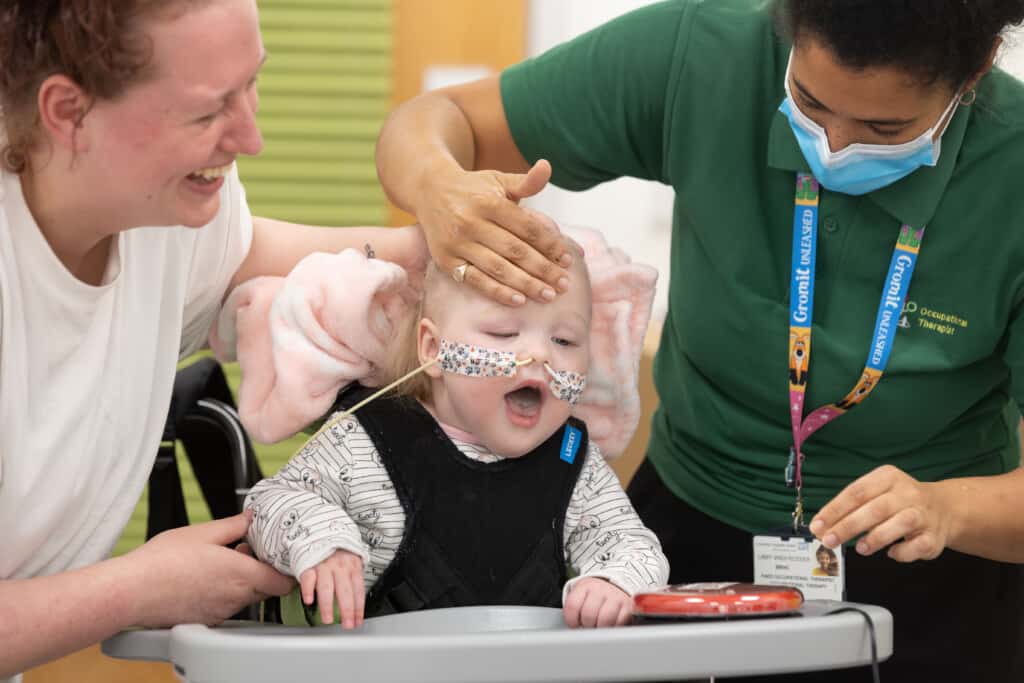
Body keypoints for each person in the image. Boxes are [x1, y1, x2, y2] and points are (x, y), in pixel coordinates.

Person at [373, 0, 1024, 680]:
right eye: (808, 104)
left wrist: (946, 508)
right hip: (686, 537)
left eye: (883, 129)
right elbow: (431, 122)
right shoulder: (701, 57)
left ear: (973, 75)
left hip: (929, 576)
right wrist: (435, 186)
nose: (832, 146)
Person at [0, 1, 428, 678]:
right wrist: (135, 589)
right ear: (67, 111)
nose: (251, 137)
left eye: (252, 84)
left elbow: (240, 255)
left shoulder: (167, 206)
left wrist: (432, 253)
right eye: (207, 112)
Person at [244, 246, 670, 629]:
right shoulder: (365, 444)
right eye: (504, 333)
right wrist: (323, 543)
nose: (541, 355)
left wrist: (614, 582)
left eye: (565, 340)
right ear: (433, 348)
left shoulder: (574, 461)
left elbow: (631, 543)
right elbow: (271, 502)